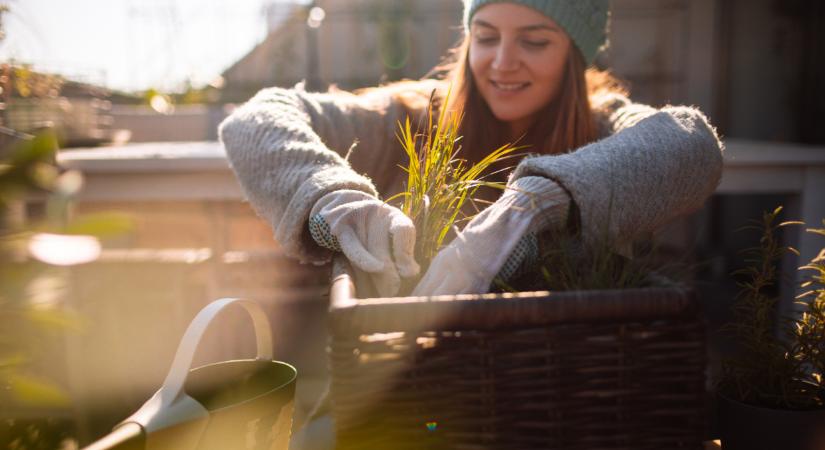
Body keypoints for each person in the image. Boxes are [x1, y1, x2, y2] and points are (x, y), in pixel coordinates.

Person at [220, 0, 723, 446]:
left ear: (574, 51)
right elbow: (256, 120)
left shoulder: (600, 124)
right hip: (402, 404)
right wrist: (338, 201)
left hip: (568, 404)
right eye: (485, 37)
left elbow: (691, 140)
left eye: (534, 40)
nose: (503, 62)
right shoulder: (414, 116)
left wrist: (533, 205)